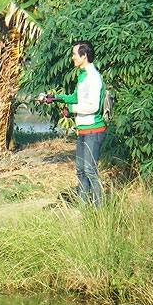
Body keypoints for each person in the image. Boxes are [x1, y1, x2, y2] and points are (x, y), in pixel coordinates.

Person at [38, 40, 107, 207]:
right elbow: (75, 98)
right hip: (83, 131)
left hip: (94, 131)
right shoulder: (82, 76)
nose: (72, 57)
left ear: (84, 56)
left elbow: (93, 106)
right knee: (81, 171)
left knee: (90, 171)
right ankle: (83, 209)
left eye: (75, 54)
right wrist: (54, 98)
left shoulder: (94, 78)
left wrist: (71, 108)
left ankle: (100, 210)